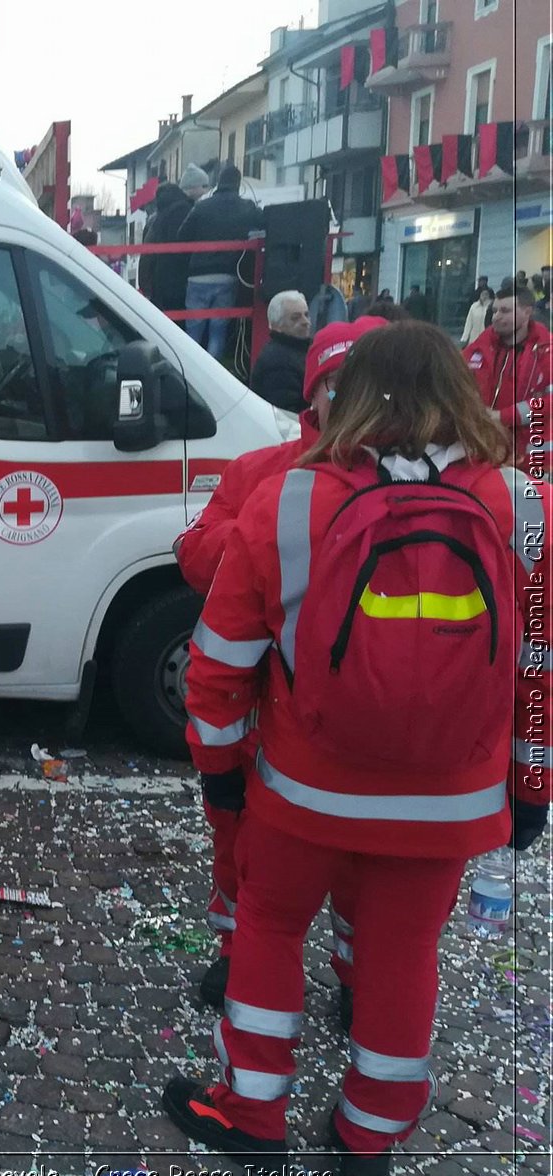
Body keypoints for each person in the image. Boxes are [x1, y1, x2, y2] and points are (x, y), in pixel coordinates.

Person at [162, 321, 549, 1176]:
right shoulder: (528, 508)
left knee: (269, 924)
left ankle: (253, 1112)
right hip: (451, 801)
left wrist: (219, 769)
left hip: (306, 790)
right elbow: (539, 671)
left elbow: (219, 666)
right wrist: (531, 789)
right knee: (405, 951)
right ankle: (367, 1138)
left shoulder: (288, 501)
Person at [176, 315, 386, 1023]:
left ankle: (357, 981)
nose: (355, 402)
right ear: (313, 396)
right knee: (242, 856)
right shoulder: (261, 474)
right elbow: (195, 555)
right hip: (265, 722)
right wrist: (273, 530)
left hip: (367, 726)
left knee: (365, 877)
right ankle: (240, 960)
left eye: (369, 387)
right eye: (338, 385)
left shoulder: (435, 489)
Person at [177, 164, 263, 359]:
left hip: (198, 275)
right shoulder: (247, 207)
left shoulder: (201, 206)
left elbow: (182, 235)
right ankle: (210, 378)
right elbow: (266, 224)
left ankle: (189, 375)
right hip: (228, 275)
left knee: (193, 333)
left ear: (218, 183)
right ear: (238, 184)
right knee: (218, 331)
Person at [464, 284, 552, 468]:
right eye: (495, 310)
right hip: (486, 453)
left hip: (533, 458)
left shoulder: (546, 351)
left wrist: (502, 416)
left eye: (505, 311)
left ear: (527, 312)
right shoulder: (478, 349)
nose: (496, 317)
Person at [140, 165, 208, 313]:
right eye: (204, 186)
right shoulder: (183, 211)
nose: (206, 191)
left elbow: (147, 252)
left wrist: (146, 286)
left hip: (160, 282)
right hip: (176, 283)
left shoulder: (159, 215)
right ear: (193, 188)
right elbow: (181, 248)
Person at [247, 291, 311, 411]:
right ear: (277, 325)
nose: (305, 322)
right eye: (295, 318)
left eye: (306, 315)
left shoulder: (302, 350)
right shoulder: (277, 362)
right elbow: (286, 413)